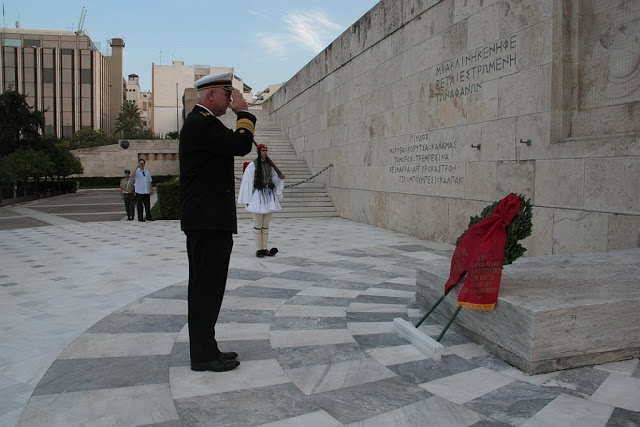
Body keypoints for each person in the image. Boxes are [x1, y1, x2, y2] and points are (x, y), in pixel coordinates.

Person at [179, 71, 255, 372]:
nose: (230, 101)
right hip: (207, 221)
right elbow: (241, 144)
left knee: (208, 288)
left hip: (209, 220)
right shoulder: (201, 123)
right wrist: (244, 113)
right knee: (205, 289)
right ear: (211, 96)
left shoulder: (203, 123)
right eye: (227, 95)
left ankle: (208, 349)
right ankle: (202, 356)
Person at [238, 143, 285, 257]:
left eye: (266, 150)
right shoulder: (252, 166)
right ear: (258, 152)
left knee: (265, 226)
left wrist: (279, 178)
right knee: (258, 225)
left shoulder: (269, 165)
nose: (265, 153)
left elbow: (273, 177)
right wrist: (247, 199)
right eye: (263, 150)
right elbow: (247, 183)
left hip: (269, 196)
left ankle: (265, 248)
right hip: (258, 197)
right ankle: (259, 249)